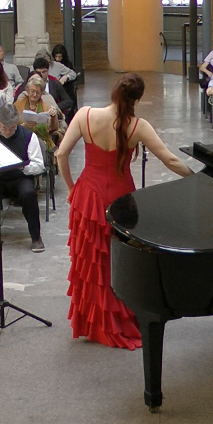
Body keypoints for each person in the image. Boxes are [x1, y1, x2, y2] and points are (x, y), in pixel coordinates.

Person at [57, 73, 192, 349]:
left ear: (114, 91)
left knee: (91, 261)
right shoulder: (138, 126)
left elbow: (61, 154)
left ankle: (93, 323)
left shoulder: (85, 115)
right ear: (137, 99)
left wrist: (71, 188)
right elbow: (170, 160)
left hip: (88, 196)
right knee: (118, 261)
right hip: (120, 199)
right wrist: (196, 178)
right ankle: (118, 319)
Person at [0, 104, 46, 252]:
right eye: (4, 128)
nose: (8, 132)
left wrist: (21, 166)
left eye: (12, 128)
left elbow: (39, 165)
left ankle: (36, 236)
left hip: (19, 177)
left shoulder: (28, 136)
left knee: (29, 194)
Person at [14, 73, 64, 151]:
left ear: (41, 93)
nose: (35, 95)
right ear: (27, 91)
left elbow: (53, 129)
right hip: (21, 141)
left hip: (41, 142)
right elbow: (12, 126)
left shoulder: (46, 107)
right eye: (32, 91)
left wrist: (53, 117)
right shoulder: (17, 105)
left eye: (38, 92)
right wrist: (24, 127)